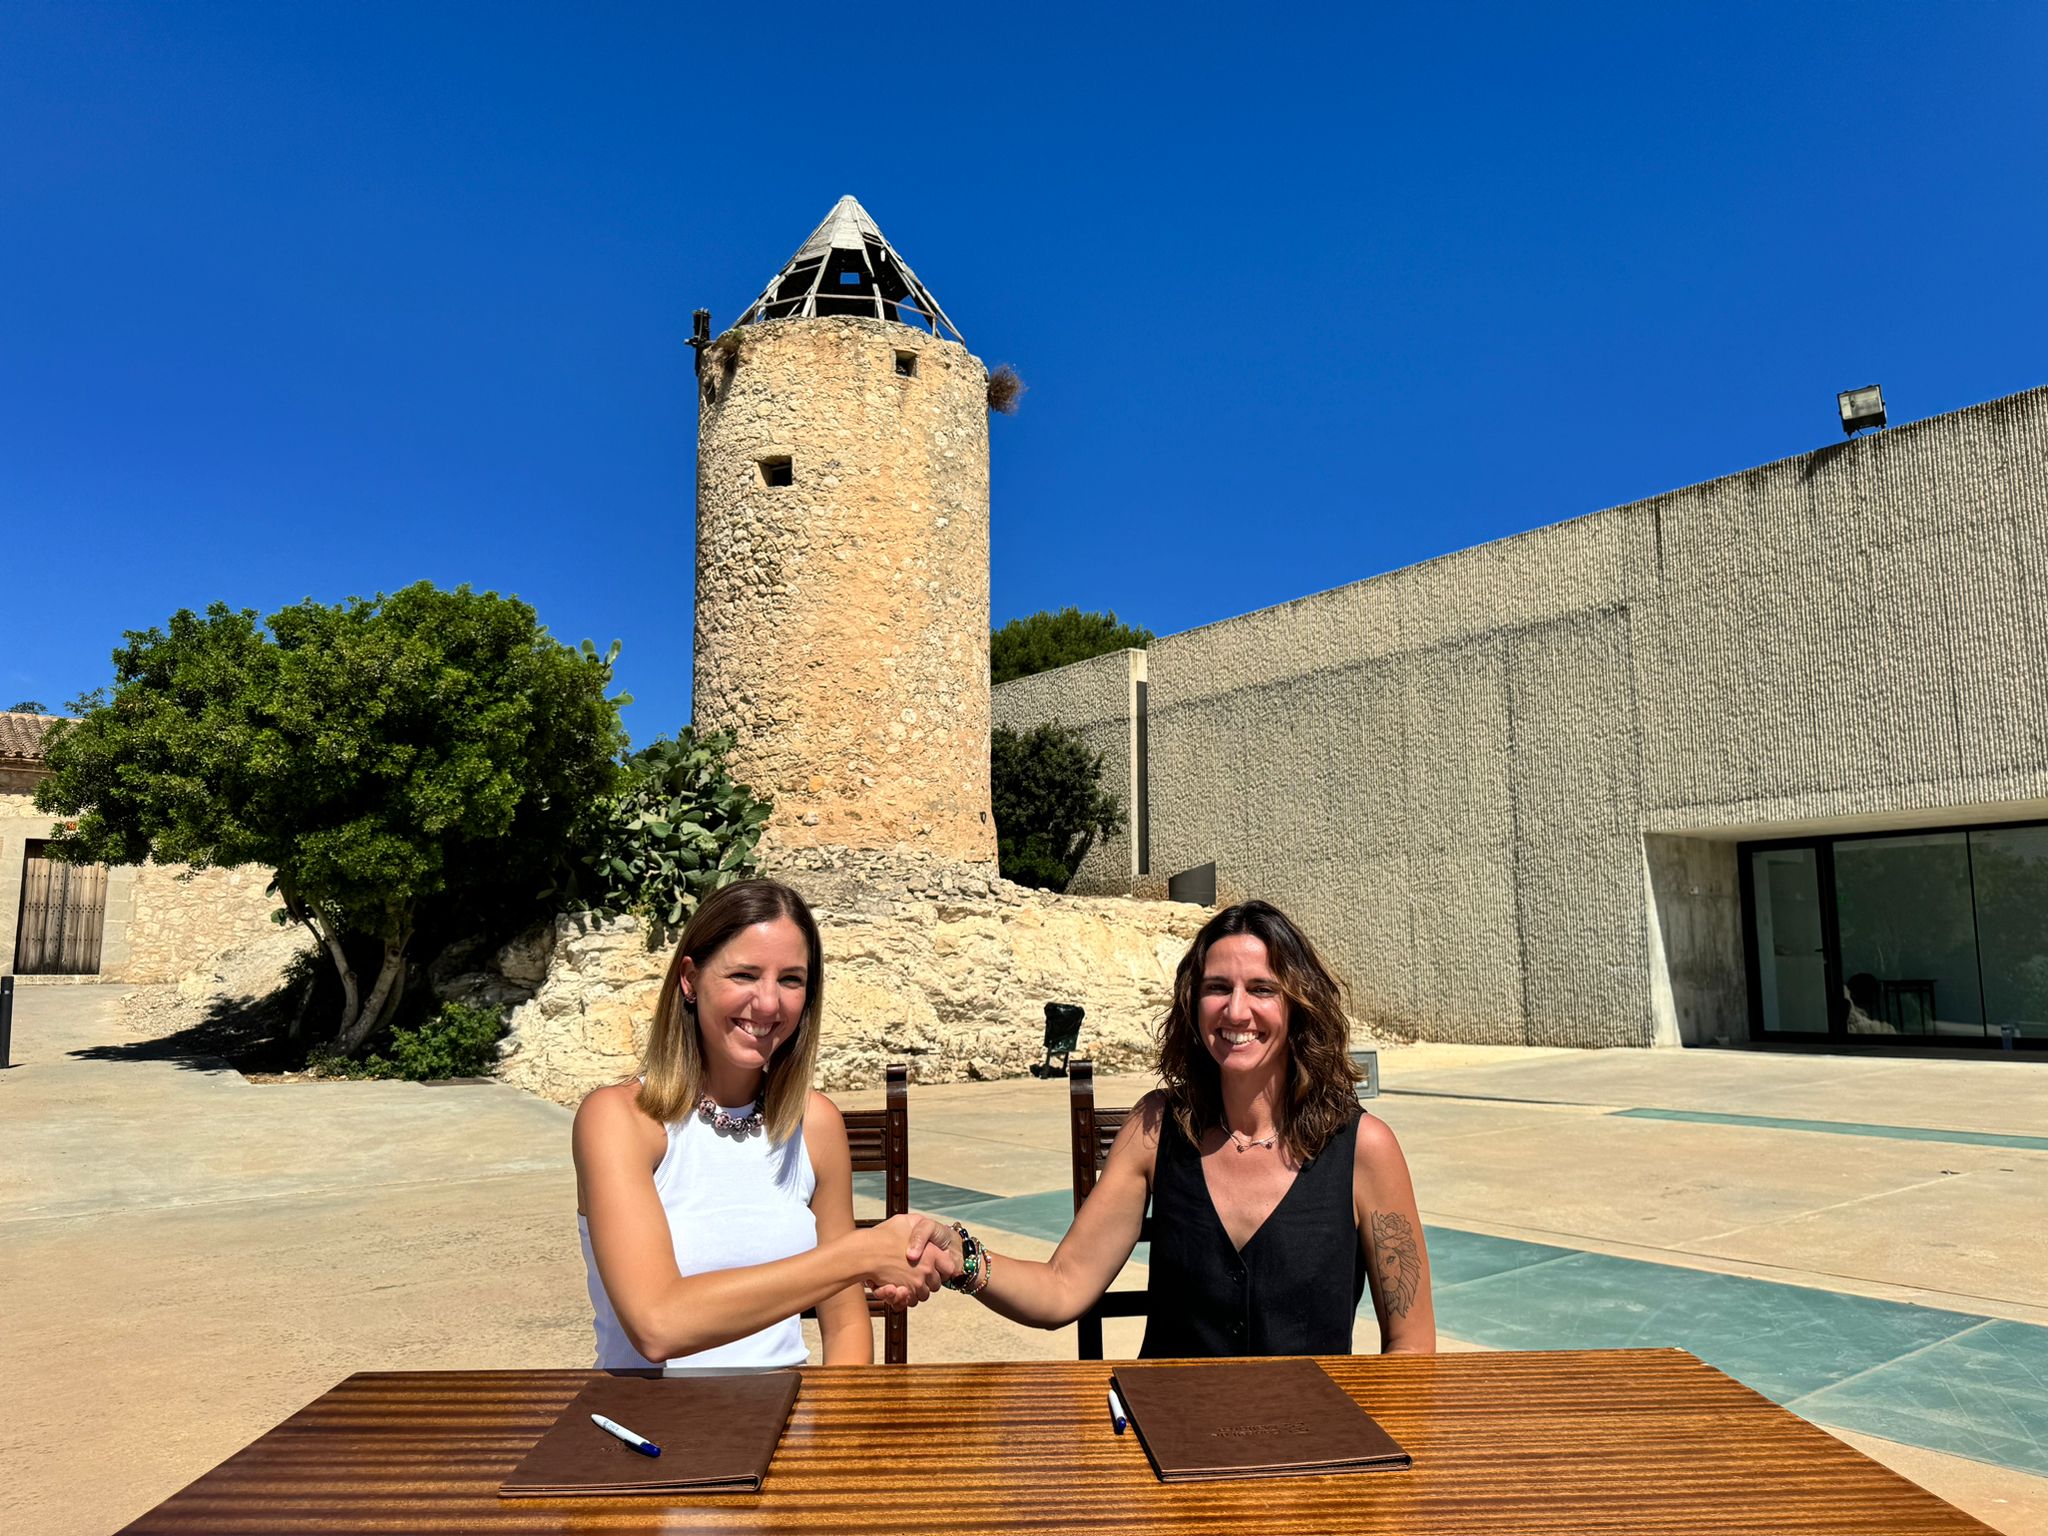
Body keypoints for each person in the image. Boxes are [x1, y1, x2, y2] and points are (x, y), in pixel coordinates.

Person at [938, 900, 1435, 1355]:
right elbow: (1063, 1285)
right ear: (1193, 1005)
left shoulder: (1364, 1148)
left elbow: (1411, 1347)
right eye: (1217, 988)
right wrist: (962, 1261)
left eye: (1262, 989)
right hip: (1169, 1433)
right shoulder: (1155, 1130)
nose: (1236, 1011)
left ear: (1298, 1007)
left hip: (1307, 1441)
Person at [573, 877, 957, 1368]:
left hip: (783, 1421)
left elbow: (844, 1324)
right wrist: (861, 1254)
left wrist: (834, 1435)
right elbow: (657, 1324)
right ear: (689, 979)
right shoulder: (619, 1120)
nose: (769, 1003)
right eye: (745, 975)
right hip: (649, 1431)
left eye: (791, 980)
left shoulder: (815, 1123)